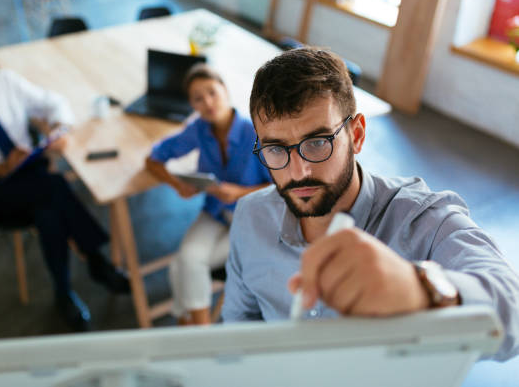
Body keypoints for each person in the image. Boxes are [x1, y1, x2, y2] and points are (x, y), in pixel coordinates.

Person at [221, 47, 519, 361]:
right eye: (276, 150)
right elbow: (239, 323)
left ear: (357, 135)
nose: (299, 171)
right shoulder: (250, 216)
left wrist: (420, 290)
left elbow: (512, 314)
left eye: (319, 142)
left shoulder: (425, 222)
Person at [0, 27, 130, 331]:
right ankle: (96, 262)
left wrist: (59, 129)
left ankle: (64, 293)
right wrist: (1, 169)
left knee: (48, 209)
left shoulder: (5, 82)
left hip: (28, 173)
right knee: (54, 188)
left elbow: (55, 103)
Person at [145, 64, 271, 325]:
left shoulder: (256, 134)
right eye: (198, 99)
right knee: (185, 262)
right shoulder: (199, 129)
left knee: (183, 264)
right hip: (215, 212)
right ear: (191, 104)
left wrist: (240, 192)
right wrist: (177, 185)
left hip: (253, 219)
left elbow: (283, 188)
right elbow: (153, 159)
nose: (207, 103)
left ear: (225, 90)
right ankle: (199, 330)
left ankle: (187, 322)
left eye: (212, 93)